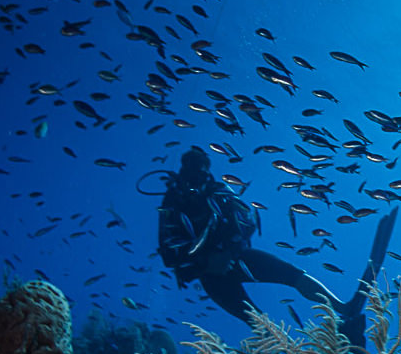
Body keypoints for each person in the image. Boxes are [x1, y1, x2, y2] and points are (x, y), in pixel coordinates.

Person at [155, 147, 368, 343]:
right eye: (192, 173)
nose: (197, 179)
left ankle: (343, 308)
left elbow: (248, 221)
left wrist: (229, 253)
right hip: (210, 275)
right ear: (183, 172)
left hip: (238, 258)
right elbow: (168, 253)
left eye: (201, 173)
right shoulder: (172, 203)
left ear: (207, 172)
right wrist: (206, 262)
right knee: (255, 319)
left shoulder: (219, 191)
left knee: (291, 274)